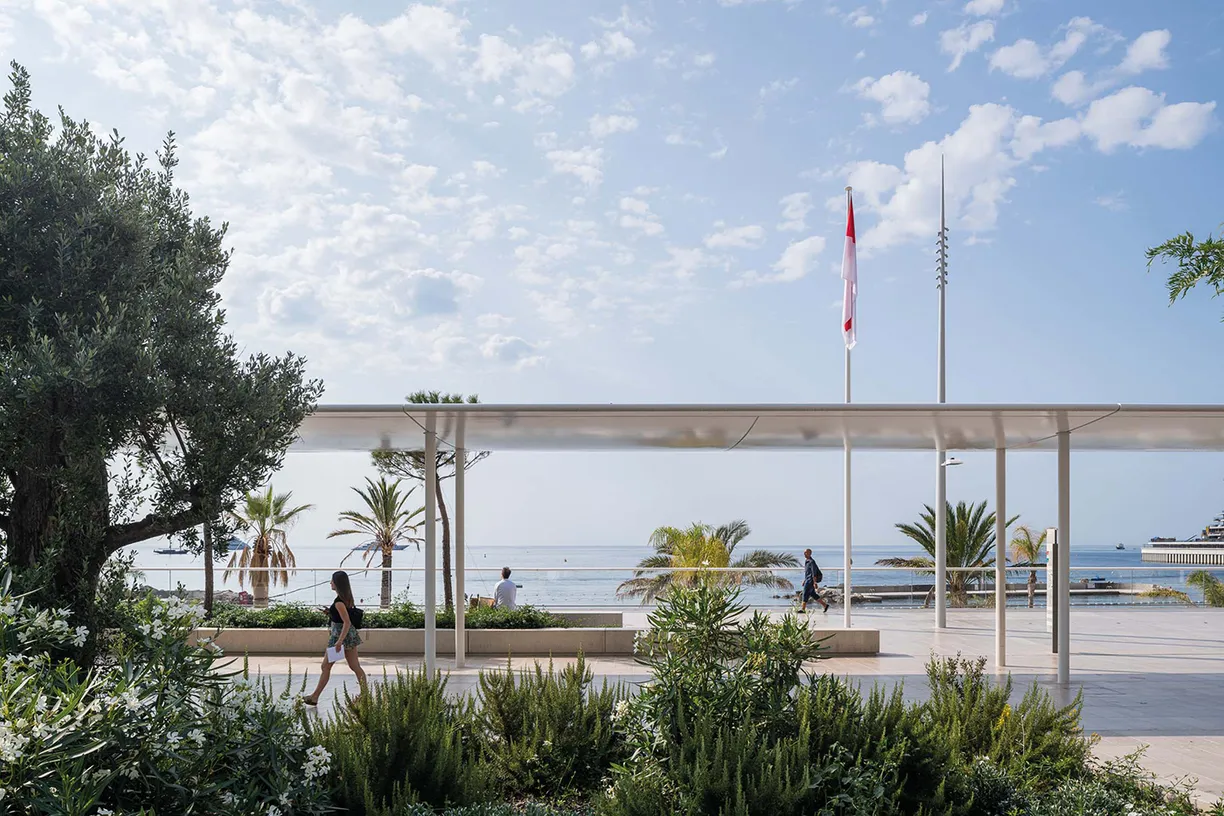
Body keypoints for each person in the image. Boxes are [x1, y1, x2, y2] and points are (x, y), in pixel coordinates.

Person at [303, 571, 367, 706]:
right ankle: (365, 695)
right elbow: (344, 617)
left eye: (332, 581)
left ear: (337, 583)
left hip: (340, 637)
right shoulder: (346, 598)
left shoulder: (339, 602)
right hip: (349, 636)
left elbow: (346, 622)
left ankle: (314, 697)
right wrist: (330, 613)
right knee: (355, 666)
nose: (330, 583)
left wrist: (339, 642)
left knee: (325, 666)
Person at [800, 548, 829, 613]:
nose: (804, 554)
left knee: (805, 593)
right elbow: (807, 572)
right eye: (804, 552)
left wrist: (815, 582)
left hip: (810, 580)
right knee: (813, 594)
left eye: (806, 552)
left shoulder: (811, 562)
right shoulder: (806, 561)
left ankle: (803, 609)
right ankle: (825, 605)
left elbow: (814, 573)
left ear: (809, 553)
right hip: (808, 579)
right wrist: (804, 580)